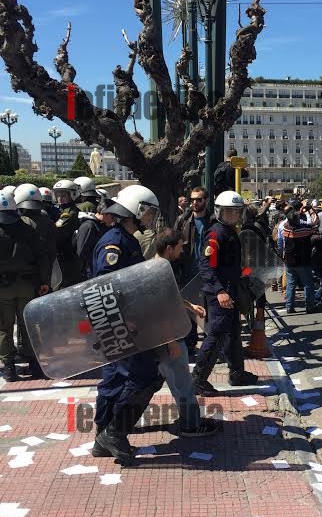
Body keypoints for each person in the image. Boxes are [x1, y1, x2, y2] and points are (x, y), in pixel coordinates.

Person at [92, 185, 165, 463]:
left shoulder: (125, 239)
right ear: (135, 210)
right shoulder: (116, 242)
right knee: (144, 375)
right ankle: (114, 433)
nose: (149, 218)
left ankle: (104, 437)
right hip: (118, 322)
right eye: (147, 211)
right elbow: (107, 285)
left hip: (119, 321)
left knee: (115, 378)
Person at [192, 191, 259, 396]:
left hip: (231, 291)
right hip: (220, 293)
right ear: (219, 211)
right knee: (217, 335)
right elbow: (207, 267)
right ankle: (198, 378)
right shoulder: (216, 234)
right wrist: (220, 291)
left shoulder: (229, 231)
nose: (233, 216)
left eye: (236, 212)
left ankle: (237, 373)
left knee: (233, 334)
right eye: (229, 212)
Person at [153, 228, 219, 436]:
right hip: (168, 336)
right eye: (180, 247)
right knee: (182, 384)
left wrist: (190, 306)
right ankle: (191, 425)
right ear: (169, 248)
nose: (182, 251)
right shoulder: (162, 270)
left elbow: (170, 297)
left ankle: (191, 419)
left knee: (178, 383)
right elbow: (160, 308)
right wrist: (171, 340)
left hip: (163, 336)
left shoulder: (155, 266)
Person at [0, 190, 50, 381]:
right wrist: (44, 281)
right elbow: (42, 256)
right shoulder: (28, 227)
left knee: (4, 327)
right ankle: (34, 364)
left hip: (3, 288)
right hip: (28, 285)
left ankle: (9, 368)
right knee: (28, 325)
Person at [280, 204, 318, 314]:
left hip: (289, 261)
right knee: (308, 284)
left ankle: (289, 307)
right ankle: (309, 306)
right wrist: (307, 211)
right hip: (302, 260)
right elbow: (315, 222)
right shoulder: (303, 229)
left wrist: (299, 214)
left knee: (291, 284)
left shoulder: (286, 227)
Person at [175, 186, 211, 283]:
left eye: (199, 200)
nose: (195, 202)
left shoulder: (212, 222)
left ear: (207, 201)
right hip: (187, 274)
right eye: (192, 200)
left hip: (207, 274)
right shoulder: (182, 220)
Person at [52, 179, 83, 287]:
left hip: (67, 257)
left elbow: (56, 232)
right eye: (57, 194)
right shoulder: (61, 210)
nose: (59, 198)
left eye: (63, 195)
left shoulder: (69, 213)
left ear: (72, 195)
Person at [74, 200, 114, 279]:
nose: (113, 220)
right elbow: (81, 252)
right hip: (89, 271)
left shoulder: (100, 225)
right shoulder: (89, 226)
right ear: (104, 213)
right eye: (112, 217)